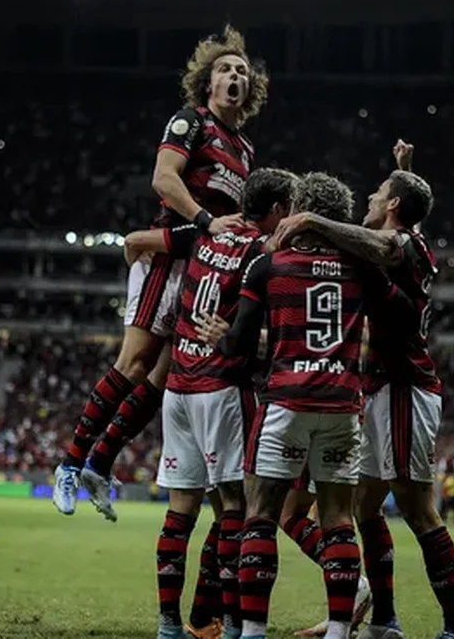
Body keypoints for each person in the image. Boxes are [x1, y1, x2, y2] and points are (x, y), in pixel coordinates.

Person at [52, 25, 269, 520]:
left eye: (241, 71)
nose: (234, 76)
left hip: (201, 266)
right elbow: (163, 179)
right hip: (169, 259)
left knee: (167, 377)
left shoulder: (245, 149)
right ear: (207, 83)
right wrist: (207, 221)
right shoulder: (190, 122)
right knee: (134, 363)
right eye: (224, 70)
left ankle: (100, 462)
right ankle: (69, 463)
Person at [267, 141, 454, 639]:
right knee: (362, 508)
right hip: (380, 390)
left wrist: (315, 222)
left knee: (418, 509)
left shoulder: (400, 244)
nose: (369, 194)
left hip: (406, 389)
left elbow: (388, 243)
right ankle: (384, 618)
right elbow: (402, 224)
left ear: (392, 207)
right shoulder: (410, 238)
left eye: (380, 191)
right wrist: (404, 171)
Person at [201, 172, 417, 639]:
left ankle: (253, 632)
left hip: (285, 402)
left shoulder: (269, 266)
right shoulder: (362, 269)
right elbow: (404, 312)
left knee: (261, 511)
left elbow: (237, 346)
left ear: (300, 209)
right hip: (342, 404)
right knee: (339, 519)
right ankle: (340, 632)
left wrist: (225, 343)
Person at [123, 168, 295, 639]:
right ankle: (237, 623)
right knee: (235, 508)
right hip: (220, 388)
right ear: (279, 209)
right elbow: (255, 337)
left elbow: (146, 240)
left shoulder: (205, 233)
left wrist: (135, 245)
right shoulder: (263, 252)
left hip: (177, 386)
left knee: (180, 510)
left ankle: (168, 625)